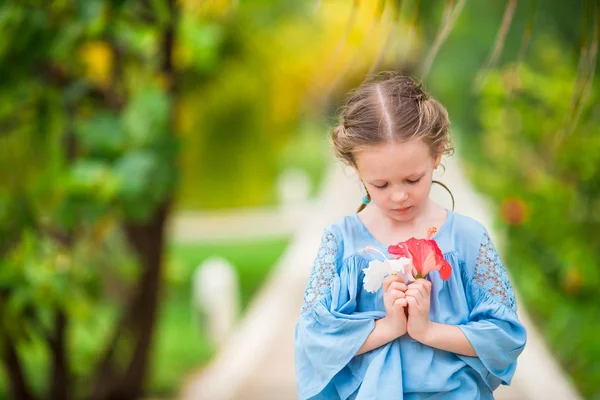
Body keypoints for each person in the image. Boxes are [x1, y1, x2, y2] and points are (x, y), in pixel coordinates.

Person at [294, 74, 527, 400]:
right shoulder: (341, 241)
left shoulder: (467, 239)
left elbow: (504, 335)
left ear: (437, 156)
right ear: (357, 170)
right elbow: (314, 339)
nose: (399, 196)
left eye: (413, 179)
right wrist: (389, 327)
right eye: (381, 185)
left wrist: (427, 330)